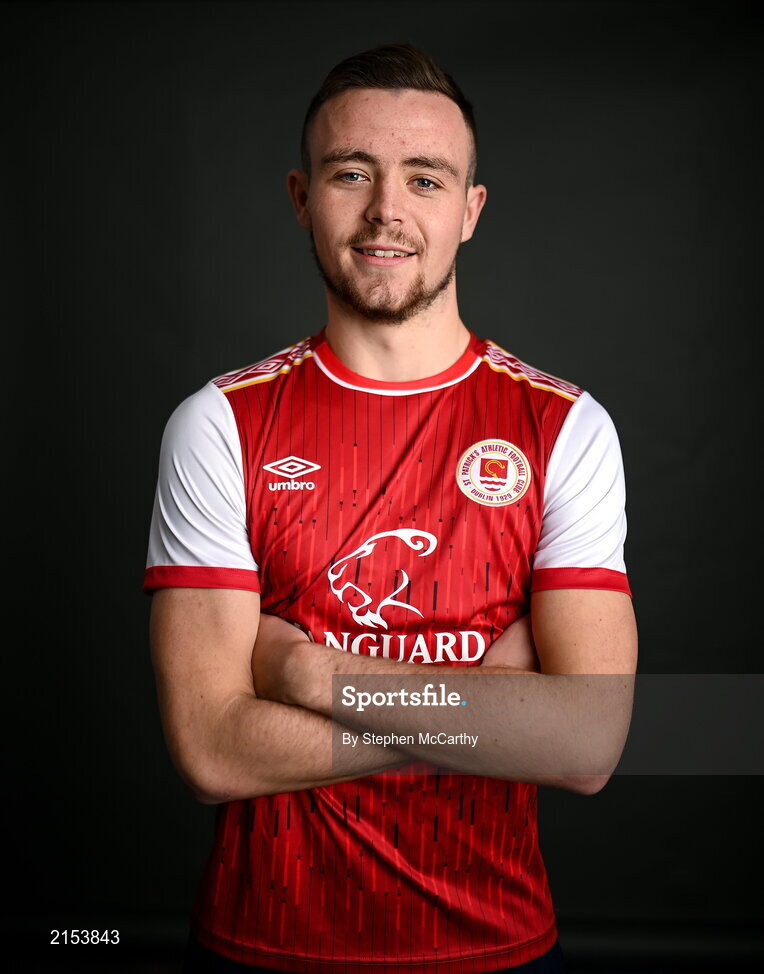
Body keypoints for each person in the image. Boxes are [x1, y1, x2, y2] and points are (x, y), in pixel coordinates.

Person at [145, 44, 637, 974]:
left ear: (470, 210)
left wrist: (312, 677)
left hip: (497, 949)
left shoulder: (565, 427)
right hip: (262, 945)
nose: (387, 211)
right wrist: (491, 715)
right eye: (351, 173)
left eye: (425, 178)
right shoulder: (218, 426)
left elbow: (586, 743)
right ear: (302, 197)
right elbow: (211, 752)